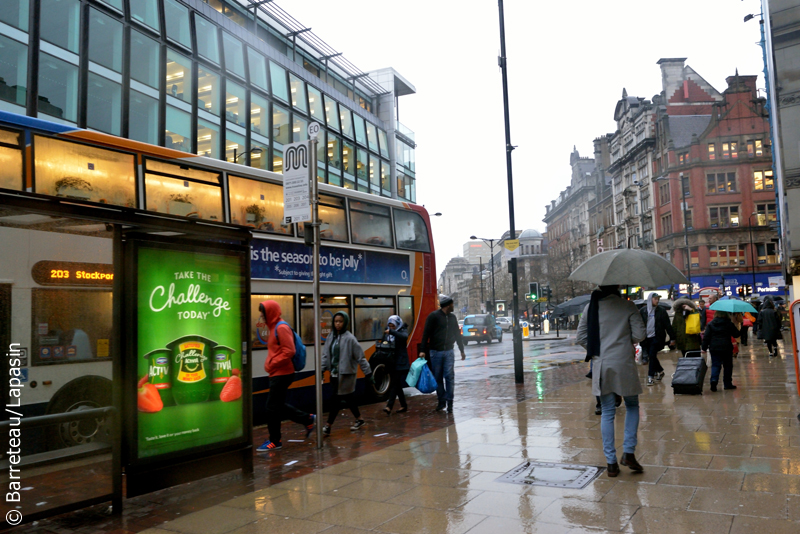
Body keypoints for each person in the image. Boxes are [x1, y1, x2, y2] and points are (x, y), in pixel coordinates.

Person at [577, 285, 647, 477]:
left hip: (602, 364)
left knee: (607, 410)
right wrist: (624, 340)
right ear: (617, 286)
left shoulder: (591, 307)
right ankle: (629, 452)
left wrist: (597, 349)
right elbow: (640, 335)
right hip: (624, 361)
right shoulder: (627, 306)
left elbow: (581, 336)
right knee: (632, 405)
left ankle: (611, 463)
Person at [256, 300, 315, 451]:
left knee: (271, 407)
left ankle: (275, 441)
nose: (261, 316)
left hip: (282, 373)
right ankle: (307, 419)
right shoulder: (274, 327)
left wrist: (272, 364)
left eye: (263, 312)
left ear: (270, 312)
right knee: (277, 406)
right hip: (277, 373)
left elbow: (289, 351)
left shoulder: (281, 327)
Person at [321, 311, 373, 434]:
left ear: (345, 323)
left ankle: (328, 426)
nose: (338, 324)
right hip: (334, 374)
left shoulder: (350, 339)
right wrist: (322, 369)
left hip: (346, 374)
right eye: (335, 321)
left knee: (336, 399)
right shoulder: (331, 336)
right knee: (348, 398)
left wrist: (369, 373)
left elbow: (361, 357)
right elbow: (325, 354)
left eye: (340, 321)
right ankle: (359, 419)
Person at [419, 295, 466, 413]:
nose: (453, 306)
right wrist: (422, 350)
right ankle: (441, 400)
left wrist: (461, 350)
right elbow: (426, 334)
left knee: (449, 377)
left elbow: (457, 334)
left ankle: (449, 402)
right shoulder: (433, 316)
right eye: (452, 304)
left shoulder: (452, 317)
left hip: (449, 351)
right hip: (435, 351)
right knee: (438, 377)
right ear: (447, 305)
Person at [639, 293, 676, 386]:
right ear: (650, 299)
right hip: (645, 338)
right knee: (652, 356)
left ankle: (650, 377)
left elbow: (668, 325)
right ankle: (660, 370)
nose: (657, 300)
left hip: (657, 337)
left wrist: (672, 338)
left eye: (658, 299)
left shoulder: (661, 311)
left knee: (652, 355)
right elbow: (638, 325)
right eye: (655, 299)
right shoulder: (643, 311)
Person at [701, 310, 742, 391]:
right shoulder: (729, 324)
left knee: (716, 365)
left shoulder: (710, 324)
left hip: (714, 347)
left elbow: (706, 337)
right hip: (726, 347)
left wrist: (704, 348)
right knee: (728, 366)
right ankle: (727, 384)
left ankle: (714, 380)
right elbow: (736, 334)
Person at [382, 315, 410, 414]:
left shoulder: (402, 330)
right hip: (392, 361)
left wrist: (392, 332)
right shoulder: (388, 332)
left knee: (394, 383)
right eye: (389, 326)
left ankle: (389, 406)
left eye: (393, 326)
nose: (391, 328)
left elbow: (404, 337)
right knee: (397, 385)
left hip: (401, 361)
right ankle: (403, 405)